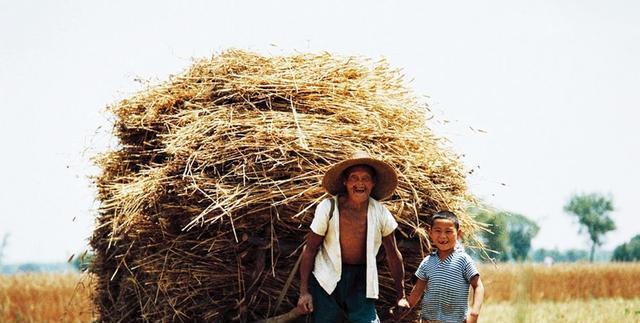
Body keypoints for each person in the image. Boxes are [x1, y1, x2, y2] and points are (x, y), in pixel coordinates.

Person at [296, 150, 406, 322]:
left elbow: (393, 254)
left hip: (361, 281)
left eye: (365, 178)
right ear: (345, 182)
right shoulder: (328, 208)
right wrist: (304, 292)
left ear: (373, 183)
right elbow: (310, 249)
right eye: (354, 177)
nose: (360, 183)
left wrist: (401, 295)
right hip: (327, 278)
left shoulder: (380, 212)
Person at [397, 210, 484, 323]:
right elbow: (418, 289)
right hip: (428, 320)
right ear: (430, 232)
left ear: (458, 233)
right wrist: (406, 307)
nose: (442, 236)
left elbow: (478, 286)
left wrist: (474, 313)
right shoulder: (427, 262)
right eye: (438, 231)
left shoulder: (463, 260)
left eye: (448, 231)